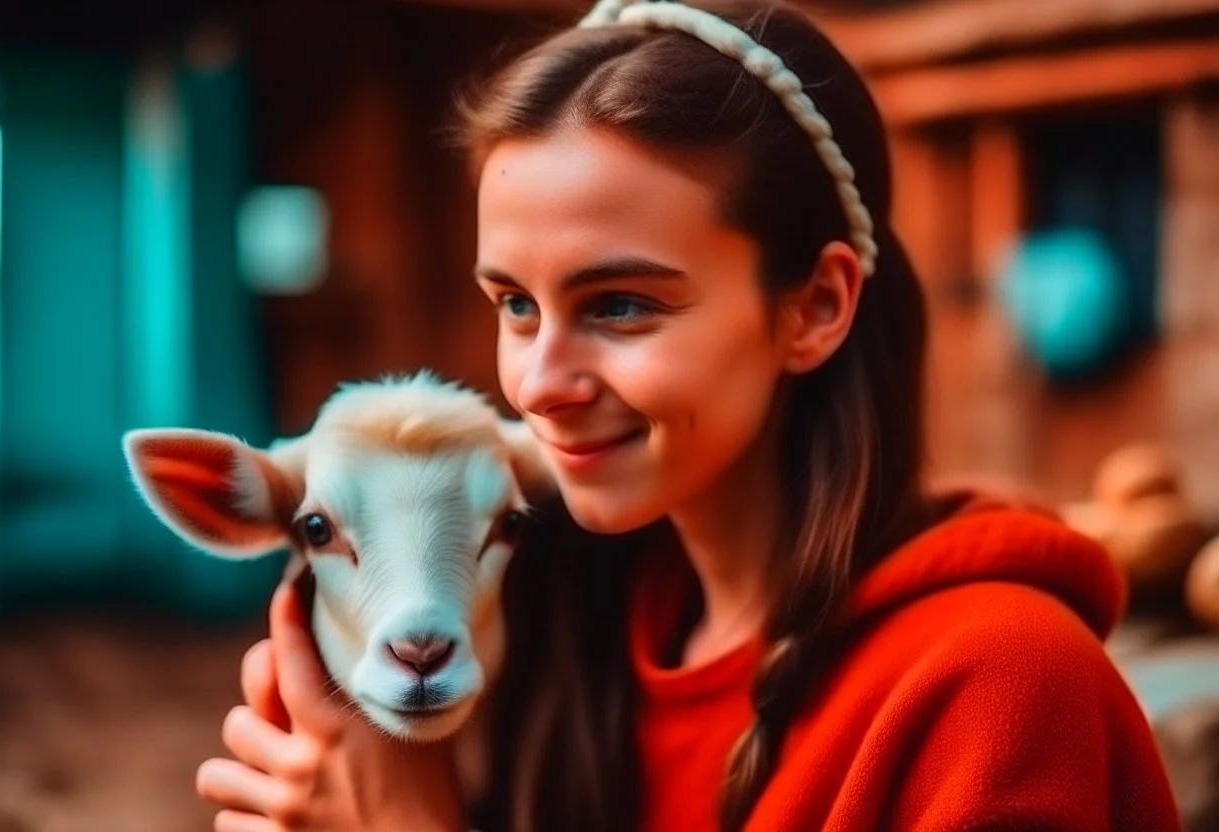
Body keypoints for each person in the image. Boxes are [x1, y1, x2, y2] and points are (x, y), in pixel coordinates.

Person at [193, 0, 1183, 829]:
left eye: (621, 304)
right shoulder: (557, 638)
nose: (539, 381)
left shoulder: (996, 688)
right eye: (516, 305)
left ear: (815, 307)